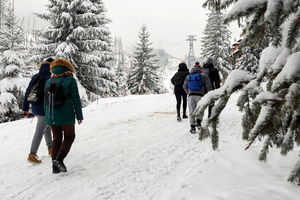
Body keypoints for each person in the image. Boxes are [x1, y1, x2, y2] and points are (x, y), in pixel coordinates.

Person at [44, 58, 83, 174]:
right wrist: (79, 116)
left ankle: (54, 167)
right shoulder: (70, 80)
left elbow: (45, 101)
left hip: (51, 115)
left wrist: (47, 117)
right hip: (66, 114)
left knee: (56, 139)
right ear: (67, 67)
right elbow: (76, 99)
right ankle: (59, 160)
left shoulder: (48, 81)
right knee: (70, 136)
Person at [23, 58, 54, 163]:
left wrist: (25, 108)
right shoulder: (50, 77)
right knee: (39, 131)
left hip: (35, 107)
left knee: (46, 127)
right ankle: (32, 154)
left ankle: (51, 149)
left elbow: (28, 92)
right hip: (45, 108)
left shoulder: (36, 76)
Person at [183, 62, 212, 134]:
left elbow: (184, 86)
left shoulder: (188, 77)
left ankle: (192, 127)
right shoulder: (203, 75)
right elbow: (208, 86)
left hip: (191, 96)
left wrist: (188, 93)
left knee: (191, 111)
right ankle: (198, 122)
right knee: (200, 109)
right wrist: (209, 95)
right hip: (200, 95)